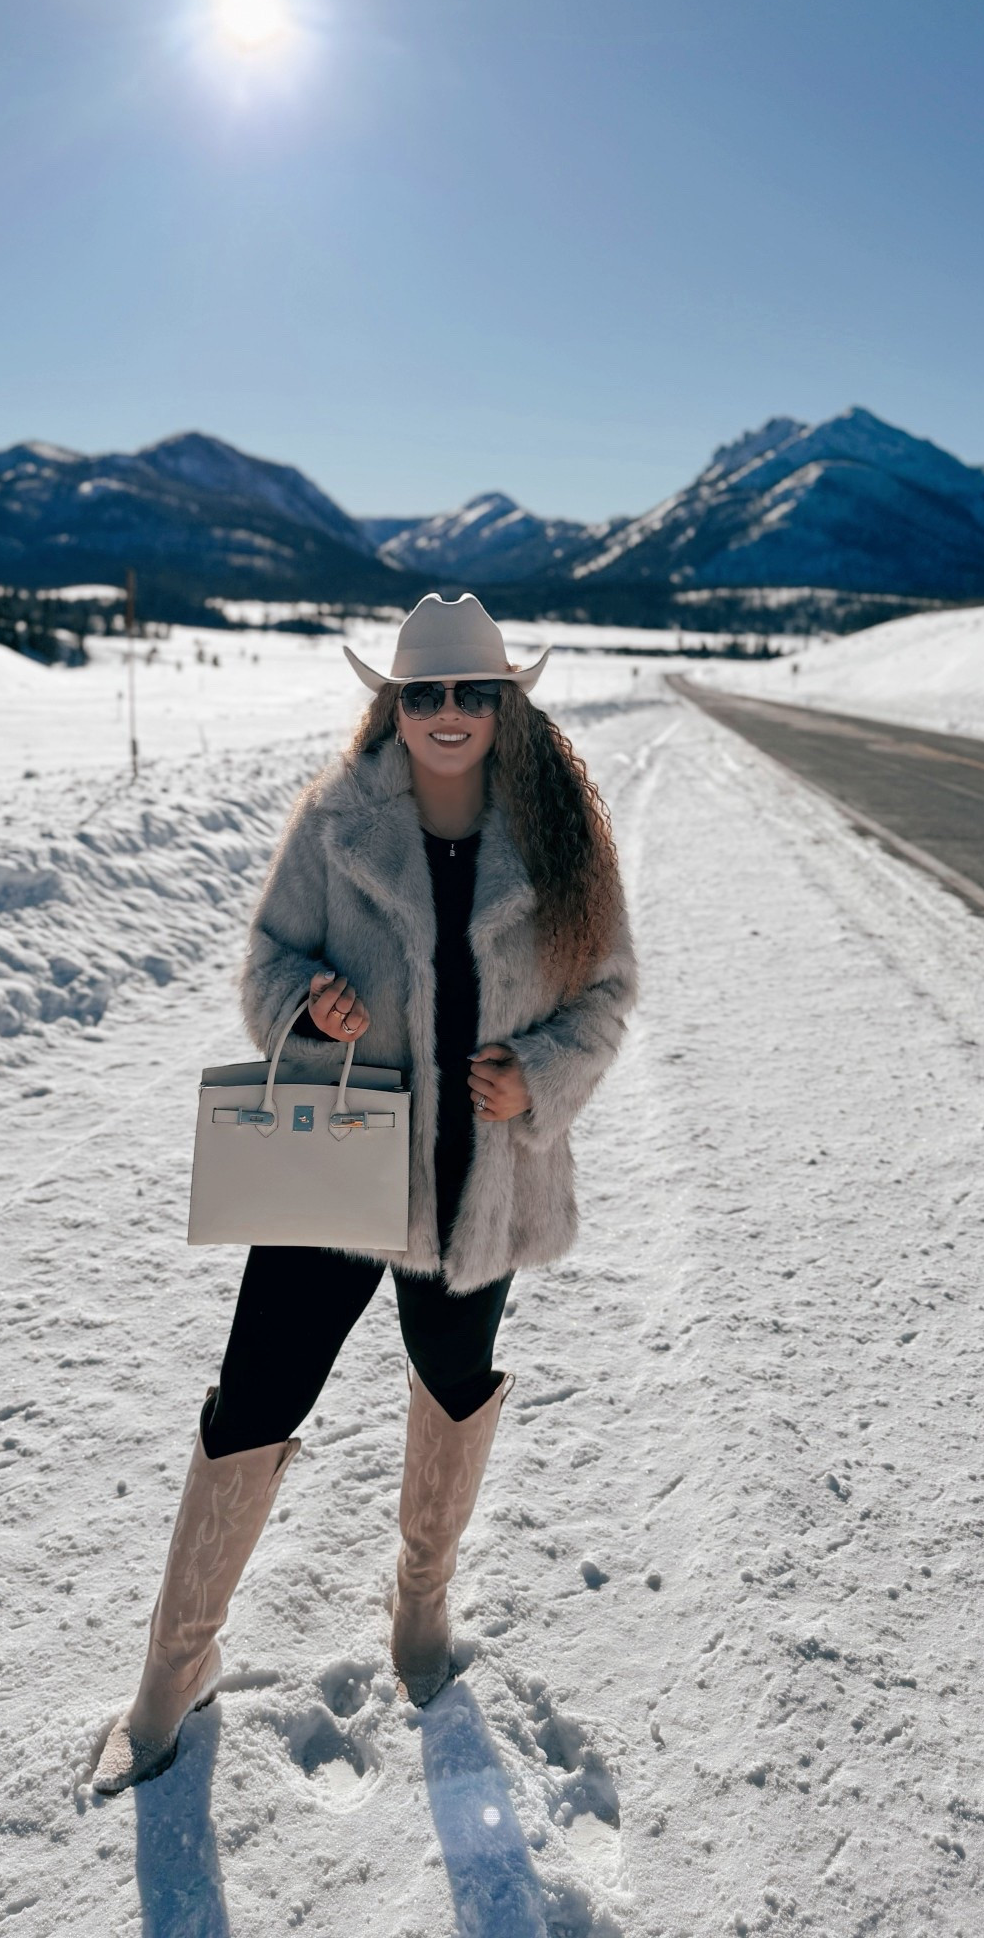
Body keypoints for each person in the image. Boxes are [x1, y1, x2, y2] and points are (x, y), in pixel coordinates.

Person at [93, 592, 637, 1793]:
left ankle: (420, 1601)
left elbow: (606, 993)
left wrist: (539, 1074)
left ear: (505, 704)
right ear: (392, 704)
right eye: (423, 692)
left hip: (477, 1179)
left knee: (454, 1385)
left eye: (472, 692)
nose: (447, 712)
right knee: (256, 1396)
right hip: (335, 1160)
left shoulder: (560, 841)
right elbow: (265, 962)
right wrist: (307, 1001)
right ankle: (172, 1668)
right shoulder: (336, 821)